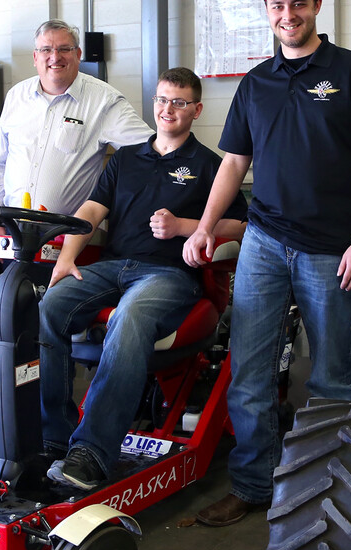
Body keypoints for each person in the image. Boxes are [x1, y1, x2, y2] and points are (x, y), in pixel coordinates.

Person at [182, 0, 351, 526]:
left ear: (316, 5)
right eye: (277, 5)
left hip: (334, 249)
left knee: (331, 376)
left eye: (298, 3)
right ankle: (254, 485)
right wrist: (207, 224)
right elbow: (234, 162)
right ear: (267, 11)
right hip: (263, 241)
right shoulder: (256, 83)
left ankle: (325, 485)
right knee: (250, 372)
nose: (288, 14)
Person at [39, 67, 248, 490]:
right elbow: (92, 211)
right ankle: (56, 436)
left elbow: (241, 227)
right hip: (115, 266)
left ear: (196, 109)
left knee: (129, 316)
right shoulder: (128, 158)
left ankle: (92, 453)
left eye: (178, 102)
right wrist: (66, 258)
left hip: (171, 276)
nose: (166, 109)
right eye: (160, 99)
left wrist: (184, 226)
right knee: (50, 305)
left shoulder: (210, 166)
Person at [0, 19, 153, 234]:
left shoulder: (103, 101)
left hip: (70, 238)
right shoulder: (16, 96)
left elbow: (151, 150)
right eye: (46, 49)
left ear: (78, 54)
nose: (55, 57)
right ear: (35, 57)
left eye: (64, 49)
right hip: (13, 231)